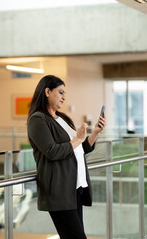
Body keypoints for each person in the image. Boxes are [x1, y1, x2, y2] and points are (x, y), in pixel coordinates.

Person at [27, 75, 105, 239]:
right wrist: (78, 139)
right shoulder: (38, 120)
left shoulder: (62, 118)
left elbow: (80, 148)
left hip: (75, 188)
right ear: (47, 91)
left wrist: (95, 132)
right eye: (60, 92)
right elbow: (52, 151)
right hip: (59, 191)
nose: (64, 97)